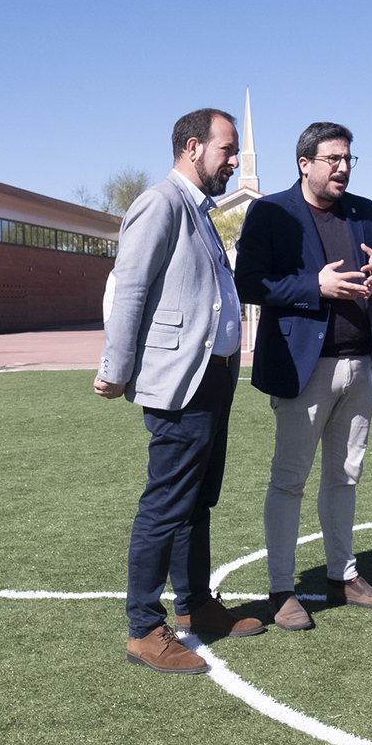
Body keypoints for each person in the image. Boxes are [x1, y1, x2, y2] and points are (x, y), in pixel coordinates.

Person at [96, 108, 265, 674]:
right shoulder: (161, 203)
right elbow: (130, 289)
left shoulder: (199, 211)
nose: (234, 160)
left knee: (199, 498)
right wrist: (115, 366)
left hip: (211, 377)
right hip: (179, 381)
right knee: (166, 503)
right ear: (193, 148)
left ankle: (195, 607)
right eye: (227, 149)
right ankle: (145, 628)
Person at [234, 121, 372, 631]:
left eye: (349, 159)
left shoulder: (365, 211)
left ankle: (343, 575)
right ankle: (281, 589)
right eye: (333, 159)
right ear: (304, 163)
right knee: (289, 480)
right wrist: (315, 285)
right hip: (301, 368)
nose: (343, 168)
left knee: (345, 477)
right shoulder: (270, 211)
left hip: (360, 366)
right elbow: (249, 282)